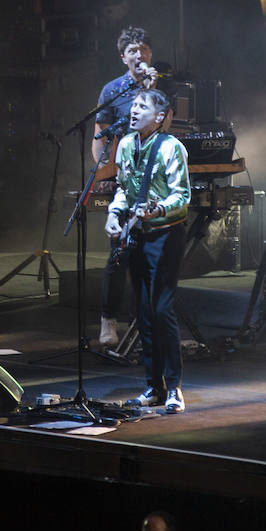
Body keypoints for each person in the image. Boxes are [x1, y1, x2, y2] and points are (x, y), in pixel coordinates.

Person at [106, 89, 191, 413]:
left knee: (161, 310)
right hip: (137, 236)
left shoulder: (171, 147)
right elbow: (123, 190)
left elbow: (182, 196)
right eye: (133, 105)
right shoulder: (126, 144)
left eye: (143, 106)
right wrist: (115, 214)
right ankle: (153, 387)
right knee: (142, 312)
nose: (134, 109)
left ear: (160, 116)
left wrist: (158, 210)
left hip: (165, 236)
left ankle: (174, 387)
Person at [93, 27, 162, 349]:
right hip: (125, 179)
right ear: (123, 56)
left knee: (149, 255)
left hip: (153, 181)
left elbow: (166, 126)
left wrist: (152, 90)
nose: (140, 54)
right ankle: (108, 319)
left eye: (144, 49)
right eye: (133, 50)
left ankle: (147, 321)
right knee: (118, 252)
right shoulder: (113, 90)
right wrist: (105, 172)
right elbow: (101, 134)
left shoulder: (160, 90)